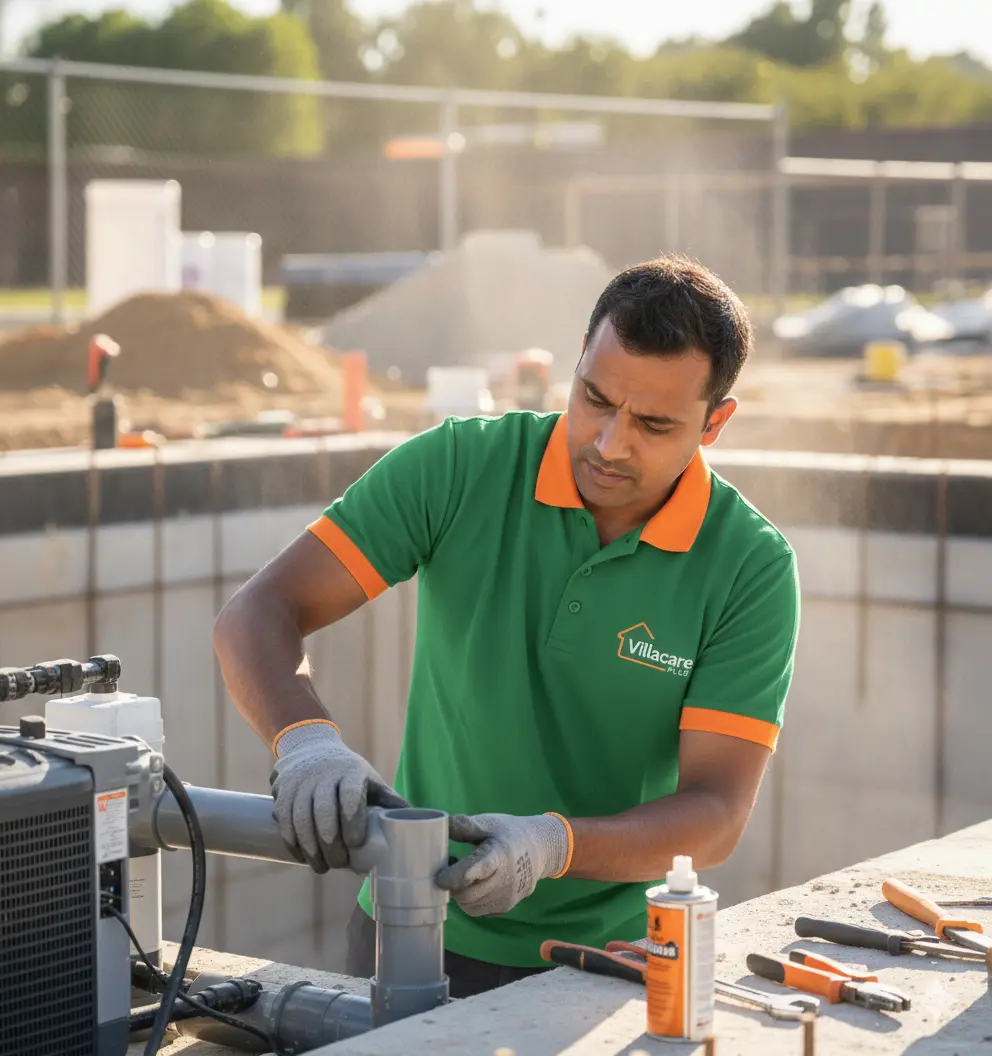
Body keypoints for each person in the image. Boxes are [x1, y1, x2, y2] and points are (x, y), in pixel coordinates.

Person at [213, 254, 801, 999]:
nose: (610, 443)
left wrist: (553, 844)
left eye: (654, 424)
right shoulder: (461, 467)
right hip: (407, 929)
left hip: (605, 964)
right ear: (577, 363)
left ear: (716, 421)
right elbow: (258, 612)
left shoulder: (749, 566)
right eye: (595, 398)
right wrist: (304, 742)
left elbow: (715, 814)